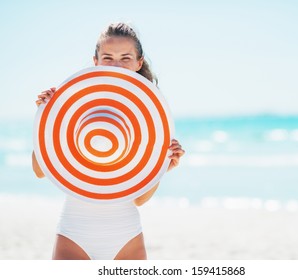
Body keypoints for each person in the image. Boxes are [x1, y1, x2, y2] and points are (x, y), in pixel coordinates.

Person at [32, 22, 185, 260]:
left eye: (125, 58)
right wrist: (48, 118)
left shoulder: (150, 118)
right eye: (108, 57)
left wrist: (161, 168)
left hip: (126, 235)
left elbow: (139, 198)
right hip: (74, 232)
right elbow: (40, 170)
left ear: (138, 63)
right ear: (96, 61)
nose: (116, 65)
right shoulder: (73, 105)